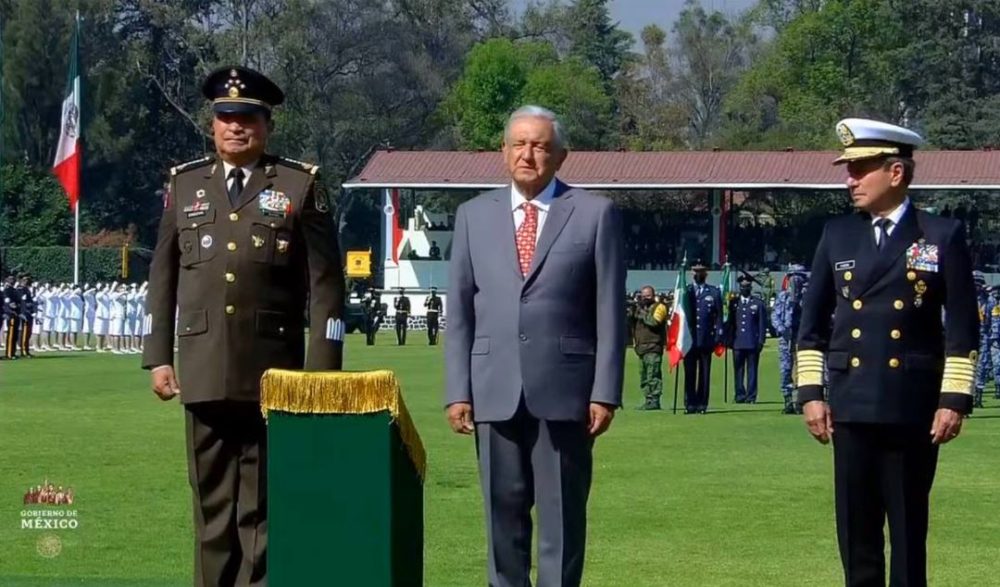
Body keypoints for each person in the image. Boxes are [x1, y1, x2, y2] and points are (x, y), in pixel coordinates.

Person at [142, 65, 346, 587]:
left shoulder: (299, 186)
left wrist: (320, 375)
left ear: (267, 125)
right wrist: (158, 355)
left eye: (248, 118)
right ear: (213, 125)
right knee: (211, 509)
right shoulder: (186, 185)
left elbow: (326, 286)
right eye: (226, 117)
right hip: (203, 368)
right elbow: (162, 276)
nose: (236, 127)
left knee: (261, 509)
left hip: (271, 370)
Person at [445, 105, 625, 587]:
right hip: (492, 389)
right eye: (519, 144)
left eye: (541, 145)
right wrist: (457, 391)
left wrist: (604, 391)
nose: (529, 154)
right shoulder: (472, 216)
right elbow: (460, 311)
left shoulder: (595, 213)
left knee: (561, 523)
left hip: (565, 392)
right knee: (501, 520)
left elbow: (609, 310)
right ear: (503, 152)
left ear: (561, 155)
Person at [796, 118, 977, 587]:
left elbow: (962, 327)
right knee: (856, 534)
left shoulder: (939, 235)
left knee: (908, 533)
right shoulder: (837, 234)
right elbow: (810, 324)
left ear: (895, 173)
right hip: (851, 405)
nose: (849, 180)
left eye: (860, 169)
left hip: (910, 407)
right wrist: (811, 392)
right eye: (849, 169)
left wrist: (953, 399)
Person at [683, 259, 723, 414]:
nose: (698, 273)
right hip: (689, 339)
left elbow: (719, 316)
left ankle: (702, 404)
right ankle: (689, 403)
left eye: (701, 271)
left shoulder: (713, 292)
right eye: (696, 271)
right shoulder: (686, 292)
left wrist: (719, 335)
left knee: (704, 373)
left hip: (706, 338)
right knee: (689, 372)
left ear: (706, 273)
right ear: (692, 273)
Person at [773, 265, 809, 414]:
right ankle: (788, 401)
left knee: (805, 369)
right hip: (787, 338)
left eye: (798, 276)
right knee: (786, 369)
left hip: (803, 337)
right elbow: (775, 316)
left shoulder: (808, 296)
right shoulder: (783, 296)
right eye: (792, 276)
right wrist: (782, 329)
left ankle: (801, 401)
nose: (795, 280)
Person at [727, 273, 766, 403]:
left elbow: (762, 324)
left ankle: (751, 396)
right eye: (743, 286)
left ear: (751, 287)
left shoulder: (758, 303)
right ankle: (739, 394)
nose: (745, 288)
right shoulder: (734, 304)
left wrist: (761, 340)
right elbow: (731, 323)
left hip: (752, 342)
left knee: (752, 370)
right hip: (738, 342)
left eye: (747, 286)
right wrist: (728, 339)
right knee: (738, 370)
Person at [633, 285, 668, 410]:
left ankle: (655, 400)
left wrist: (642, 313)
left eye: (648, 296)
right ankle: (648, 400)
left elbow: (653, 322)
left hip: (653, 347)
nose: (645, 298)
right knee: (644, 376)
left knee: (653, 375)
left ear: (653, 295)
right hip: (641, 348)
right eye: (643, 296)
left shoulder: (659, 307)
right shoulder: (640, 308)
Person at [973, 272, 991, 408]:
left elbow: (990, 319)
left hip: (983, 335)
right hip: (968, 336)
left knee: (982, 367)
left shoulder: (988, 300)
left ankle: (978, 396)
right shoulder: (963, 298)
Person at [3, 275, 20, 360]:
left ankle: (13, 352)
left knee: (15, 335)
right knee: (11, 334)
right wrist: (11, 308)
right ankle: (9, 353)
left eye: (13, 279)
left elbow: (18, 301)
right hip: (11, 314)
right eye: (10, 279)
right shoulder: (6, 290)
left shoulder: (14, 290)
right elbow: (7, 302)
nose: (12, 281)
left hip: (16, 313)